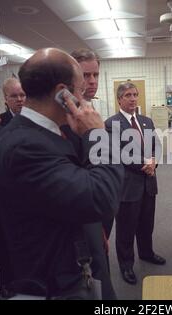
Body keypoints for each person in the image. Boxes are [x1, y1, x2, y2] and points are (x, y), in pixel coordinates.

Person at [0, 48, 123, 299]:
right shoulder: (25, 146)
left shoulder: (39, 133)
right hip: (53, 281)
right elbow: (101, 197)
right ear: (64, 93)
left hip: (70, 255)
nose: (84, 96)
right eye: (81, 90)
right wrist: (98, 136)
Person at [105, 81, 165, 285]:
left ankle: (146, 253)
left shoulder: (146, 121)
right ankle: (126, 264)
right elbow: (118, 153)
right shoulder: (111, 123)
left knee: (146, 223)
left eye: (135, 95)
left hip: (148, 182)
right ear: (119, 99)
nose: (132, 99)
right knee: (126, 227)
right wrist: (143, 165)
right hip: (128, 185)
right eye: (128, 95)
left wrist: (153, 161)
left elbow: (155, 145)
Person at [69, 48, 114, 241]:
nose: (93, 80)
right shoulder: (68, 114)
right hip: (84, 199)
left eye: (95, 74)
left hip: (101, 192)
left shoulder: (91, 107)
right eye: (86, 75)